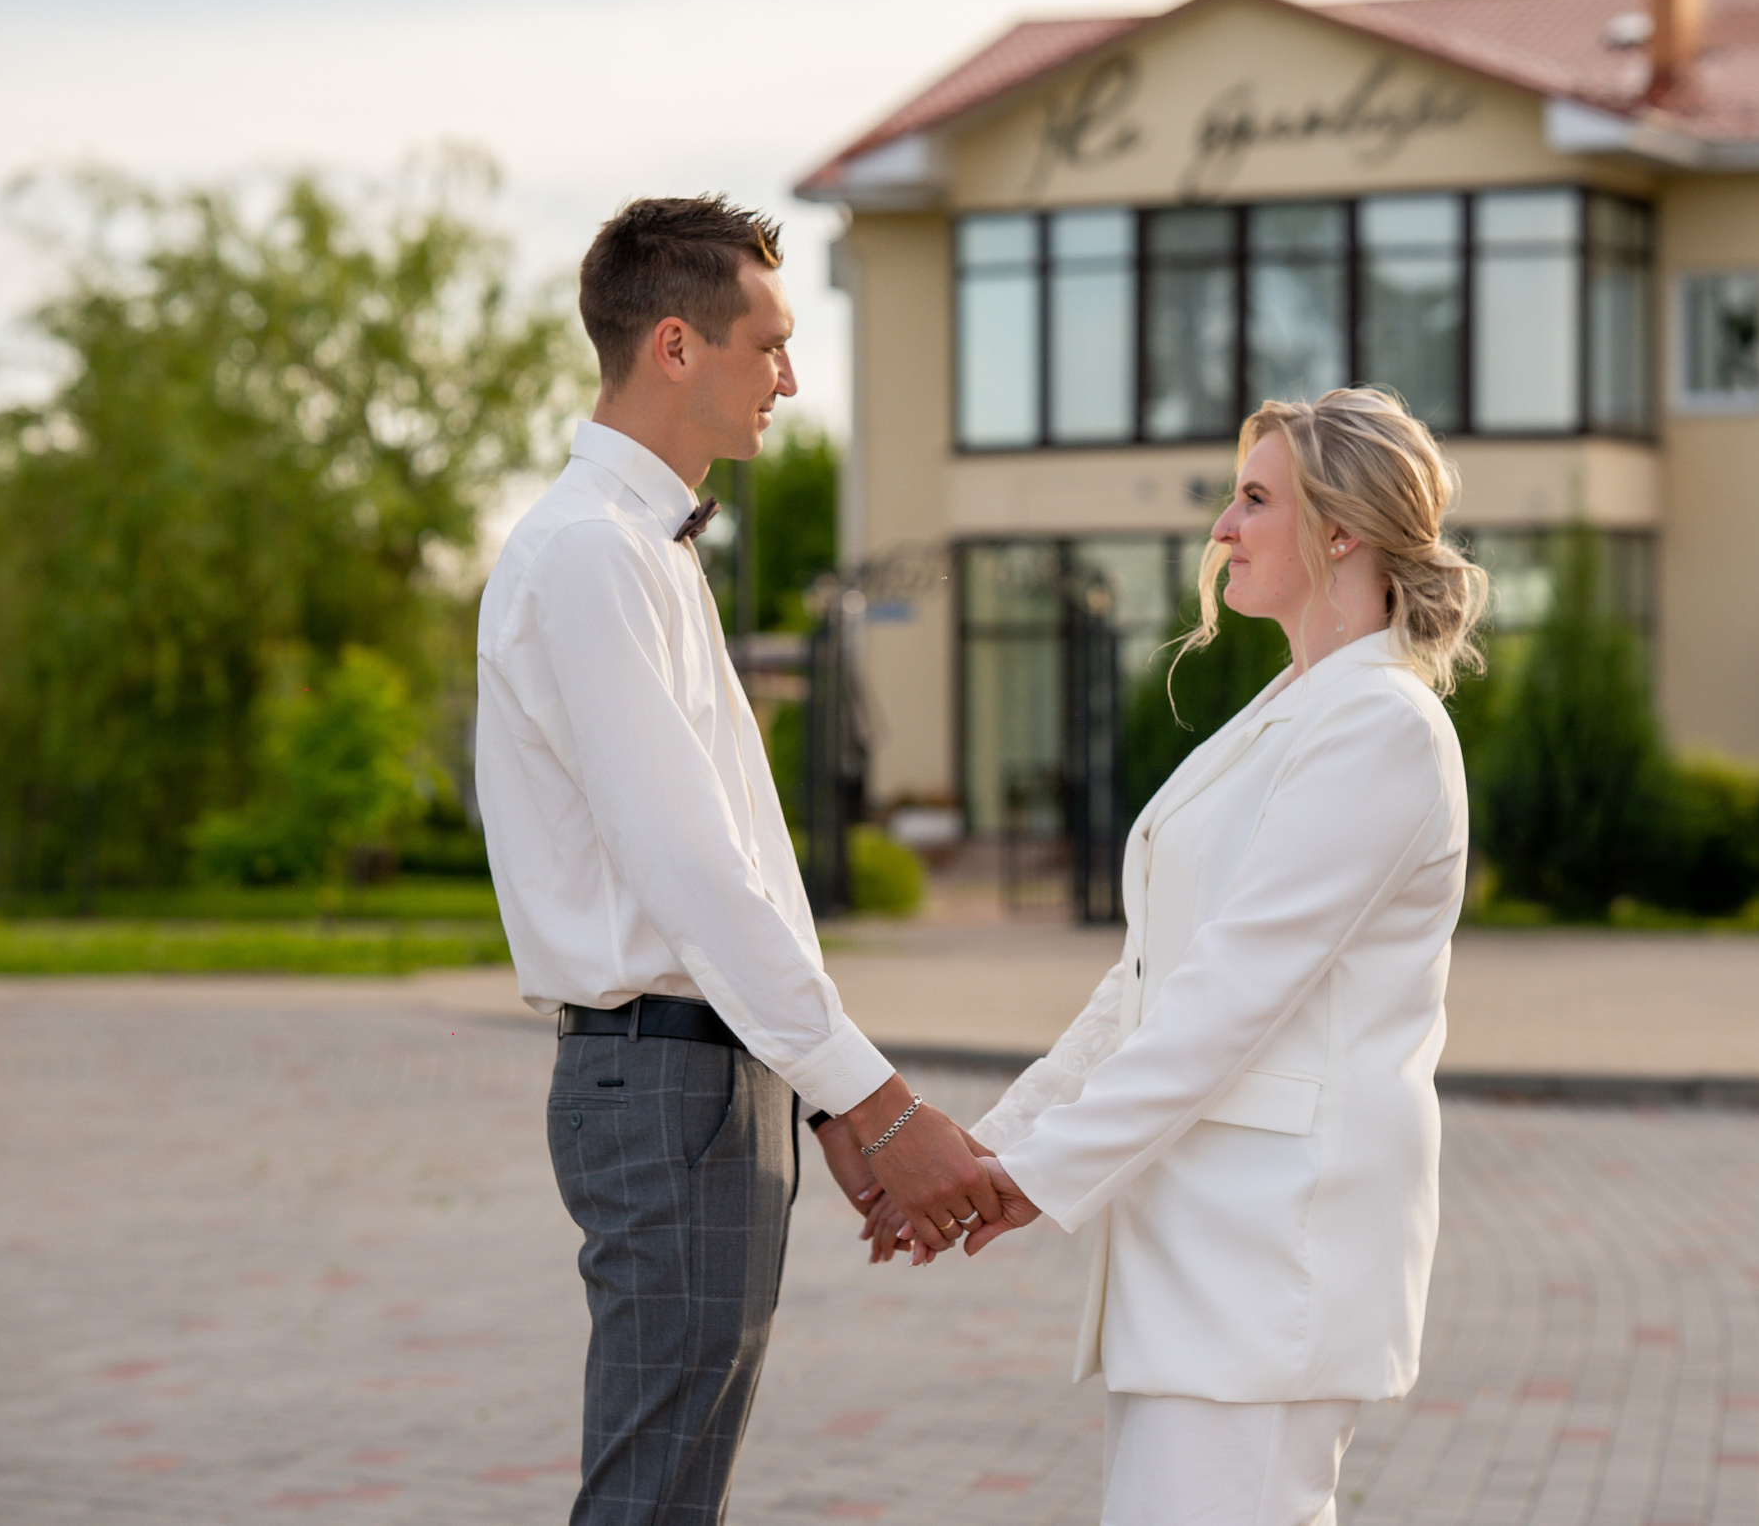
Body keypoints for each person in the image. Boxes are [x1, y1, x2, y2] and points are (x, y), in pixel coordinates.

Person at [474, 195, 1005, 1526]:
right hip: (662, 1077)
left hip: (707, 1072)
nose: (790, 376)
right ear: (673, 345)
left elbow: (737, 858)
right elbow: (693, 872)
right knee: (654, 1496)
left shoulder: (647, 549)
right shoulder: (594, 552)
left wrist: (826, 1106)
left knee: (674, 1492)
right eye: (766, 342)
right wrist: (884, 1106)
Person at [889, 386, 1486, 1526]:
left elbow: (1225, 1003)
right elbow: (1151, 979)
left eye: (1254, 499)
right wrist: (999, 1144)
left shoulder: (1382, 729)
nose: (1222, 527)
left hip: (1271, 1261)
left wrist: (1028, 1177)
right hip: (1201, 1256)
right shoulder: (1291, 707)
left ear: (1343, 529)